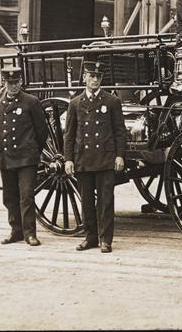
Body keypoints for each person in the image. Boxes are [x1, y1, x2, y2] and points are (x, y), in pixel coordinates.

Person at [63, 61, 128, 253]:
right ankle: (90, 237)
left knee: (106, 202)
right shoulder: (75, 103)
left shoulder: (112, 101)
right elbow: (69, 135)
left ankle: (106, 240)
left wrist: (120, 156)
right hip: (83, 159)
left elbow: (120, 131)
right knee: (87, 202)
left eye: (98, 76)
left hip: (105, 159)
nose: (95, 80)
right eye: (91, 76)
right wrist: (68, 159)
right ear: (84, 77)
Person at [0, 66, 49, 247]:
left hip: (26, 158)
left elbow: (42, 131)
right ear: (5, 83)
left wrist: (33, 151)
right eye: (10, 83)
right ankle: (16, 231)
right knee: (10, 196)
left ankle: (30, 234)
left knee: (26, 196)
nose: (13, 86)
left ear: (21, 82)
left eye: (16, 82)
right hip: (6, 157)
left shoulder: (31, 102)